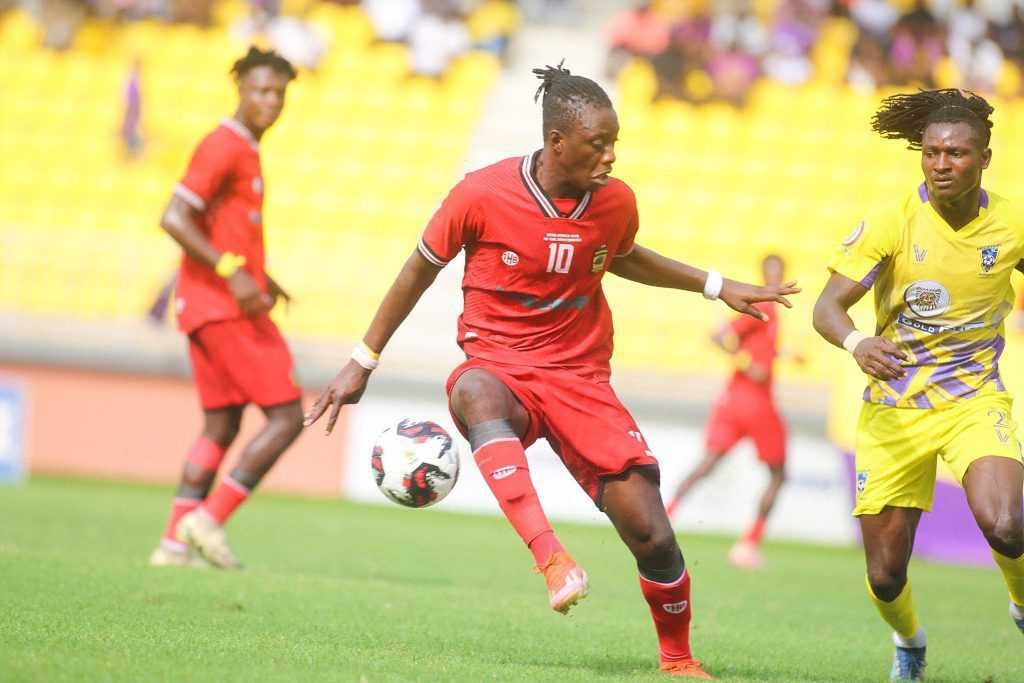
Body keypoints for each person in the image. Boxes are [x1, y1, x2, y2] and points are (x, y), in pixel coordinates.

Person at [305, 62, 798, 678]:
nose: (611, 155)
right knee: (474, 390)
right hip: (501, 366)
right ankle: (552, 559)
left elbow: (620, 255)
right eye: (598, 142)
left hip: (580, 378)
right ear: (557, 141)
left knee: (651, 531)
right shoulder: (480, 194)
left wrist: (716, 285)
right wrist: (363, 360)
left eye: (615, 142)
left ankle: (677, 659)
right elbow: (418, 270)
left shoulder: (616, 201)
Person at [812, 89, 1024, 681]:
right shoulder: (892, 222)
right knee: (885, 574)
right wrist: (858, 343)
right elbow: (827, 309)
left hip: (973, 400)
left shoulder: (1013, 223)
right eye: (931, 153)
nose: (940, 164)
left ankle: (1022, 604)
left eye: (956, 153)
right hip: (895, 410)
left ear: (984, 158)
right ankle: (909, 640)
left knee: (1007, 523)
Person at [149, 47, 303, 570]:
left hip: (207, 305)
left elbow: (223, 230)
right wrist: (231, 272)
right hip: (223, 308)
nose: (271, 101)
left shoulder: (245, 149)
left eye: (279, 93)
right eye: (261, 90)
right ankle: (208, 519)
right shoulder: (224, 146)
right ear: (239, 89)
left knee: (221, 426)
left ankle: (172, 545)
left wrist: (262, 277)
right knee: (287, 416)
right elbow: (174, 217)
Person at [665, 254, 789, 570]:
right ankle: (748, 545)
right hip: (754, 402)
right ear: (765, 274)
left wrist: (783, 355)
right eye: (773, 273)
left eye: (779, 273)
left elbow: (752, 345)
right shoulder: (766, 306)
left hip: (734, 399)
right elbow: (719, 336)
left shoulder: (767, 308)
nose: (776, 279)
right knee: (778, 474)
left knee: (708, 463)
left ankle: (665, 516)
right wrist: (747, 363)